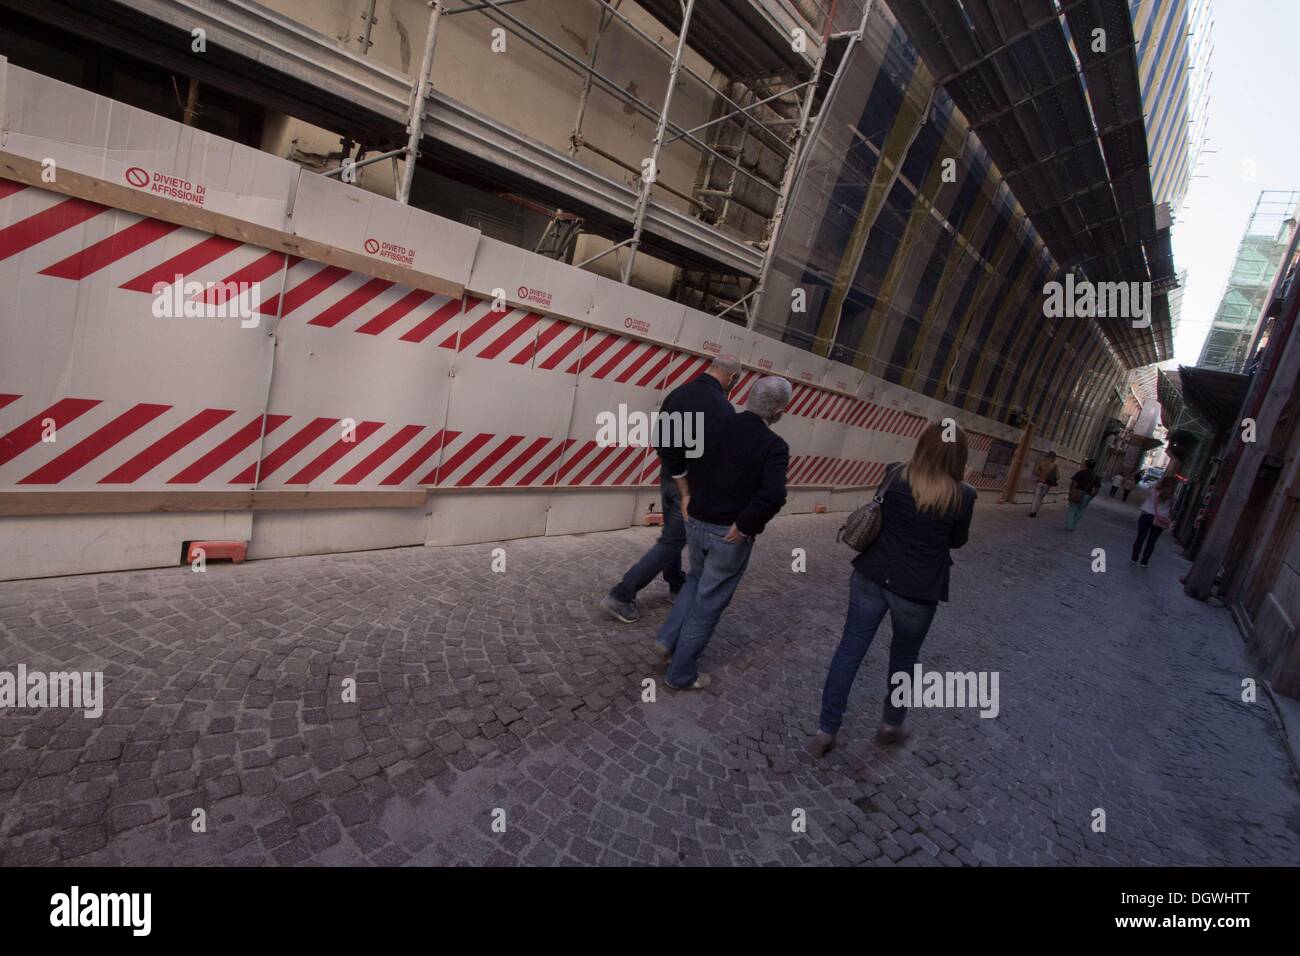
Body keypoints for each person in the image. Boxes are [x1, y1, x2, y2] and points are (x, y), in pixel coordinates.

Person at [808, 422, 976, 756]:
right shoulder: (964, 495)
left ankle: (825, 731)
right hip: (917, 590)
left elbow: (878, 512)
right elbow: (957, 541)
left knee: (849, 650)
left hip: (872, 576)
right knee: (904, 657)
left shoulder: (894, 473)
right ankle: (890, 723)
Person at [654, 376, 791, 690]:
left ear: (749, 397)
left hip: (697, 523)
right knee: (708, 603)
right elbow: (773, 495)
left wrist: (686, 493)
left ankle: (666, 639)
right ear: (780, 411)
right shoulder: (774, 447)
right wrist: (745, 526)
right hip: (727, 535)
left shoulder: (714, 426)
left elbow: (673, 451)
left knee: (694, 580)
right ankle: (680, 674)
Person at [600, 355, 741, 623]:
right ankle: (621, 595)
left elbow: (660, 439)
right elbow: (716, 457)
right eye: (735, 382)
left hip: (668, 478)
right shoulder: (722, 407)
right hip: (688, 487)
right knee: (672, 541)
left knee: (671, 536)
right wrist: (690, 490)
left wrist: (675, 473)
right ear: (732, 378)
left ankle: (676, 582)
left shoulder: (678, 394)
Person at [1131, 475, 1178, 567]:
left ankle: (1134, 558)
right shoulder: (1173, 497)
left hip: (1146, 515)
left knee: (1140, 538)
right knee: (1152, 541)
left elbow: (1150, 485)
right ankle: (1144, 561)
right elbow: (1172, 510)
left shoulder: (1153, 491)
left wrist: (1159, 481)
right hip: (1160, 519)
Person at [1064, 458, 1101, 531]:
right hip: (1087, 495)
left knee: (1072, 510)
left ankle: (1069, 526)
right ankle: (1072, 525)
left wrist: (1071, 492)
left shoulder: (1081, 472)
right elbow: (1097, 489)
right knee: (1080, 510)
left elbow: (1073, 483)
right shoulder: (1096, 476)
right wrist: (1092, 496)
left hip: (1077, 493)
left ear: (1086, 465)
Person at [1028, 451, 1058, 517]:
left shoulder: (1042, 463)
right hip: (1047, 484)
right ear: (1054, 458)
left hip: (1040, 482)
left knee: (1036, 497)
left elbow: (1035, 471)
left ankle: (1032, 511)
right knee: (1041, 498)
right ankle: (1036, 511)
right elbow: (1058, 476)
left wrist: (1040, 474)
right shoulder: (1055, 466)